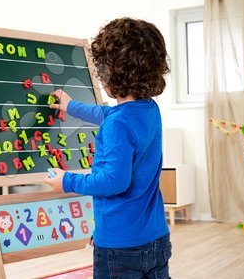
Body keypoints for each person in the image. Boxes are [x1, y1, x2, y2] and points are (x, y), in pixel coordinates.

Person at [45, 17, 171, 278]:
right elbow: (108, 114)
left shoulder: (117, 125)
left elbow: (115, 181)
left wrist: (67, 181)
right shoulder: (148, 110)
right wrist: (71, 106)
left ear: (110, 74)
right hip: (156, 238)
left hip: (121, 246)